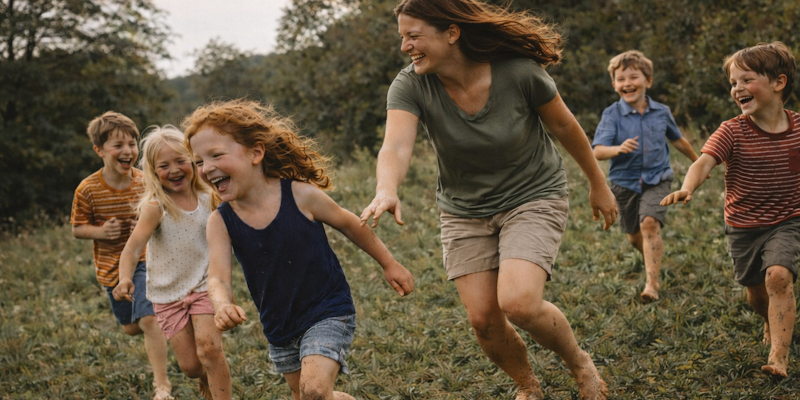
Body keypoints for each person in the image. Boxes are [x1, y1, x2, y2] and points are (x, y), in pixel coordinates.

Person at [359, 0, 616, 398]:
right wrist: (386, 188)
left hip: (532, 193)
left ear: (452, 33)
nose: (405, 47)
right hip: (464, 210)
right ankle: (528, 386)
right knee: (483, 319)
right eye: (402, 37)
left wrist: (597, 183)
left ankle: (581, 365)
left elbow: (565, 126)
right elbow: (395, 146)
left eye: (413, 36)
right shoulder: (410, 85)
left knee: (519, 302)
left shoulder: (518, 72)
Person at [183, 99, 415, 400]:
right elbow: (217, 278)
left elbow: (350, 224)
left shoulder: (300, 195)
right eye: (199, 162)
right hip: (279, 326)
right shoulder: (220, 222)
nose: (207, 168)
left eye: (216, 155)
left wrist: (389, 263)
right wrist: (222, 304)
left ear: (256, 153)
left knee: (313, 392)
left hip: (327, 310)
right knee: (309, 396)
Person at [661, 41, 798, 378]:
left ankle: (779, 357)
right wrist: (687, 187)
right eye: (733, 82)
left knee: (778, 277)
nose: (737, 88)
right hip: (744, 226)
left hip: (788, 221)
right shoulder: (732, 130)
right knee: (756, 295)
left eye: (746, 80)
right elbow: (704, 162)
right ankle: (768, 319)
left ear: (778, 83)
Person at [113, 126, 232, 399]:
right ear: (154, 172)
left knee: (210, 350)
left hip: (204, 286)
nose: (174, 170)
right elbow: (132, 248)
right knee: (191, 366)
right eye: (164, 166)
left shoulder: (211, 197)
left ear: (193, 161)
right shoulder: (157, 207)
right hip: (167, 295)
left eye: (180, 161)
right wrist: (125, 278)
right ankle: (204, 377)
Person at [70, 112, 173, 399]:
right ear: (99, 150)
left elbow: (164, 213)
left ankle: (162, 386)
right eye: (118, 145)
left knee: (148, 320)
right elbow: (78, 228)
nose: (127, 151)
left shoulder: (146, 182)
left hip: (145, 261)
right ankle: (166, 318)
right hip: (110, 269)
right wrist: (100, 232)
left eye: (131, 143)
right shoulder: (88, 189)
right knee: (130, 327)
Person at [592, 50, 700, 302]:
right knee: (634, 237)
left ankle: (652, 285)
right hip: (624, 183)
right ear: (614, 85)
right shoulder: (611, 115)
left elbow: (678, 140)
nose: (627, 83)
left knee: (649, 223)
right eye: (621, 79)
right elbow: (598, 151)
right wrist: (618, 149)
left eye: (633, 77)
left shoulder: (661, 112)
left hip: (657, 178)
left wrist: (699, 163)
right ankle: (650, 254)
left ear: (648, 81)